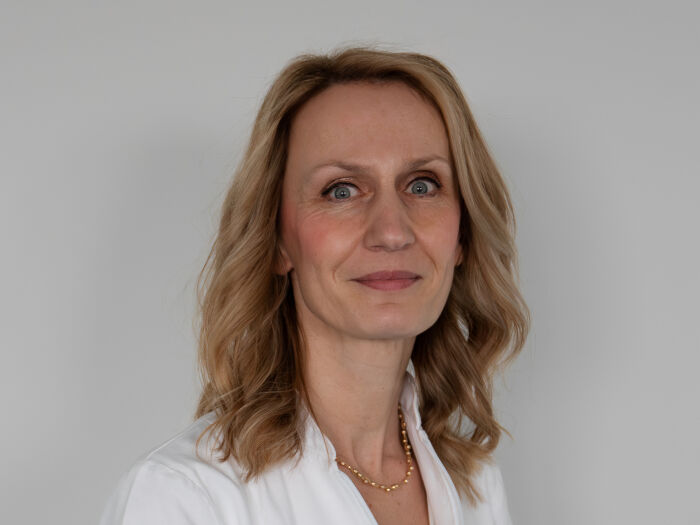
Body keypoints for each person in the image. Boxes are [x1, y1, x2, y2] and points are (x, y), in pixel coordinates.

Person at [99, 45, 530, 525]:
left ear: (463, 235)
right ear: (278, 240)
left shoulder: (474, 485)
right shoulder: (186, 499)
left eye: (422, 185)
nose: (393, 232)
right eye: (341, 190)